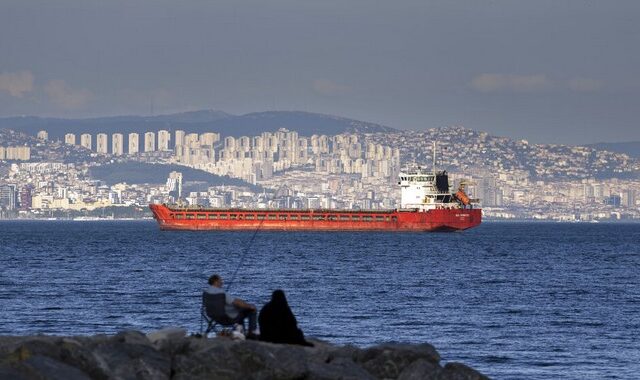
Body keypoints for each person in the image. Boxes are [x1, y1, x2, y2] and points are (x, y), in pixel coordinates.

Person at [204, 274, 259, 339]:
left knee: (239, 310)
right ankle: (252, 334)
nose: (222, 282)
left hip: (213, 316)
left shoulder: (206, 292)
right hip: (226, 318)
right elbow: (236, 303)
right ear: (215, 281)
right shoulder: (221, 292)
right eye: (220, 281)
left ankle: (240, 332)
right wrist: (249, 306)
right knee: (251, 310)